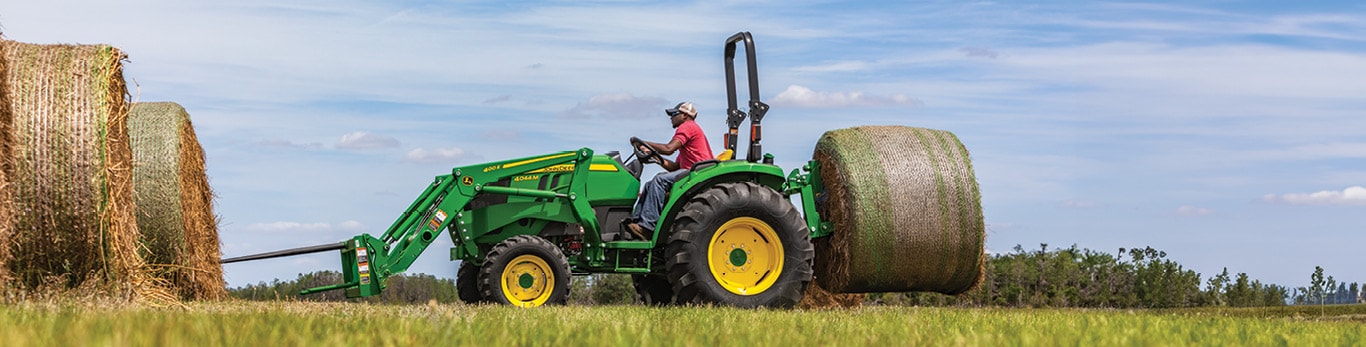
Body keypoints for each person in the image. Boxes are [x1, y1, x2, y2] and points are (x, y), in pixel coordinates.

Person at [626, 101, 713, 240]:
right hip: (690, 171)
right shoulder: (689, 137)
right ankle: (637, 223)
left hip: (697, 173)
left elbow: (668, 149)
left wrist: (646, 143)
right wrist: (655, 157)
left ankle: (647, 227)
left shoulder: (687, 126)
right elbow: (675, 167)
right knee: (650, 184)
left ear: (685, 115)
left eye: (674, 114)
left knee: (659, 180)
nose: (671, 117)